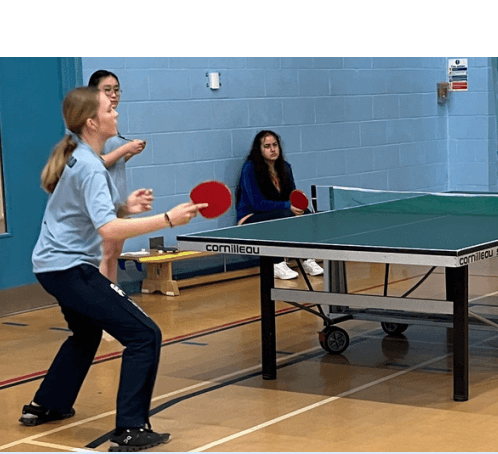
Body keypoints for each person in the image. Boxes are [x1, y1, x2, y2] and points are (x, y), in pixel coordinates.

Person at [21, 86, 205, 452]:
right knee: (144, 335)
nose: (116, 112)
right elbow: (107, 231)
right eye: (109, 108)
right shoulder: (89, 165)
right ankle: (131, 429)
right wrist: (167, 219)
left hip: (51, 265)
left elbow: (93, 215)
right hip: (69, 268)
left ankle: (47, 404)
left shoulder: (83, 158)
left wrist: (124, 207)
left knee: (86, 334)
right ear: (92, 121)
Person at [236, 130, 323, 279]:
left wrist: (297, 208)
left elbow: (292, 196)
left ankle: (307, 259)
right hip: (250, 219)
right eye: (267, 146)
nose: (272, 149)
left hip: (278, 215)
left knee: (306, 214)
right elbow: (258, 204)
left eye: (275, 145)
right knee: (285, 214)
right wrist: (287, 207)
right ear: (260, 149)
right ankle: (276, 264)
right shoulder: (250, 169)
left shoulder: (285, 168)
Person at [87, 70, 147, 284]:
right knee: (104, 255)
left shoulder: (112, 121)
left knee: (113, 255)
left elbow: (112, 165)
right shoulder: (91, 122)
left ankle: (115, 299)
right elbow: (95, 164)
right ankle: (103, 304)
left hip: (118, 202)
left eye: (116, 90)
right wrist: (125, 149)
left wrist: (129, 153)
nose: (113, 94)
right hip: (101, 203)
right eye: (107, 90)